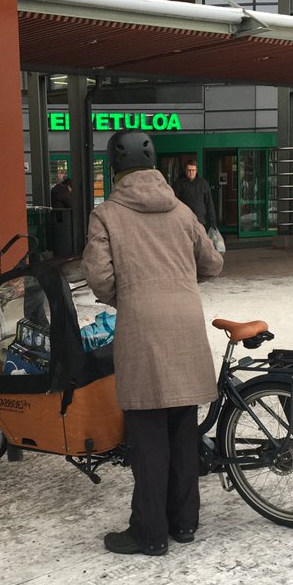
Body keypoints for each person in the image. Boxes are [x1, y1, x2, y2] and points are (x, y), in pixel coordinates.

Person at [82, 131, 224, 556]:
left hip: (143, 329)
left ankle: (149, 533)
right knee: (183, 429)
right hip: (185, 326)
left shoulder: (105, 214)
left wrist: (131, 296)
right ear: (155, 163)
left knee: (147, 438)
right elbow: (212, 264)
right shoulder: (181, 210)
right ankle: (184, 524)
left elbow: (100, 277)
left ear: (114, 168)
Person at [171, 158, 218, 230]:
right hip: (184, 220)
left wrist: (213, 221)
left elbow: (209, 203)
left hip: (200, 220)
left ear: (196, 170)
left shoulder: (203, 183)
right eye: (189, 170)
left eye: (193, 170)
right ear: (185, 170)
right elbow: (174, 202)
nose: (191, 172)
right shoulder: (178, 184)